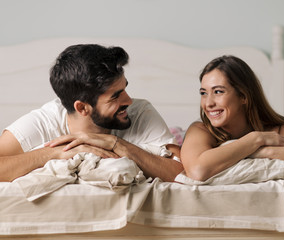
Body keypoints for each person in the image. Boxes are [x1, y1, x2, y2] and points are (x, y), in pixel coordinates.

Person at [0, 44, 183, 182]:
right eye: (115, 96)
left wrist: (117, 144)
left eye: (125, 88)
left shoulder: (141, 112)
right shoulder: (43, 122)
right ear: (82, 108)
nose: (128, 101)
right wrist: (52, 154)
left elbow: (181, 173)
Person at [180, 55, 284, 181]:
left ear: (243, 96)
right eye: (203, 93)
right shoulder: (201, 130)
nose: (208, 103)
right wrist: (256, 138)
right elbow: (198, 171)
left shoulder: (278, 130)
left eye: (218, 92)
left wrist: (265, 151)